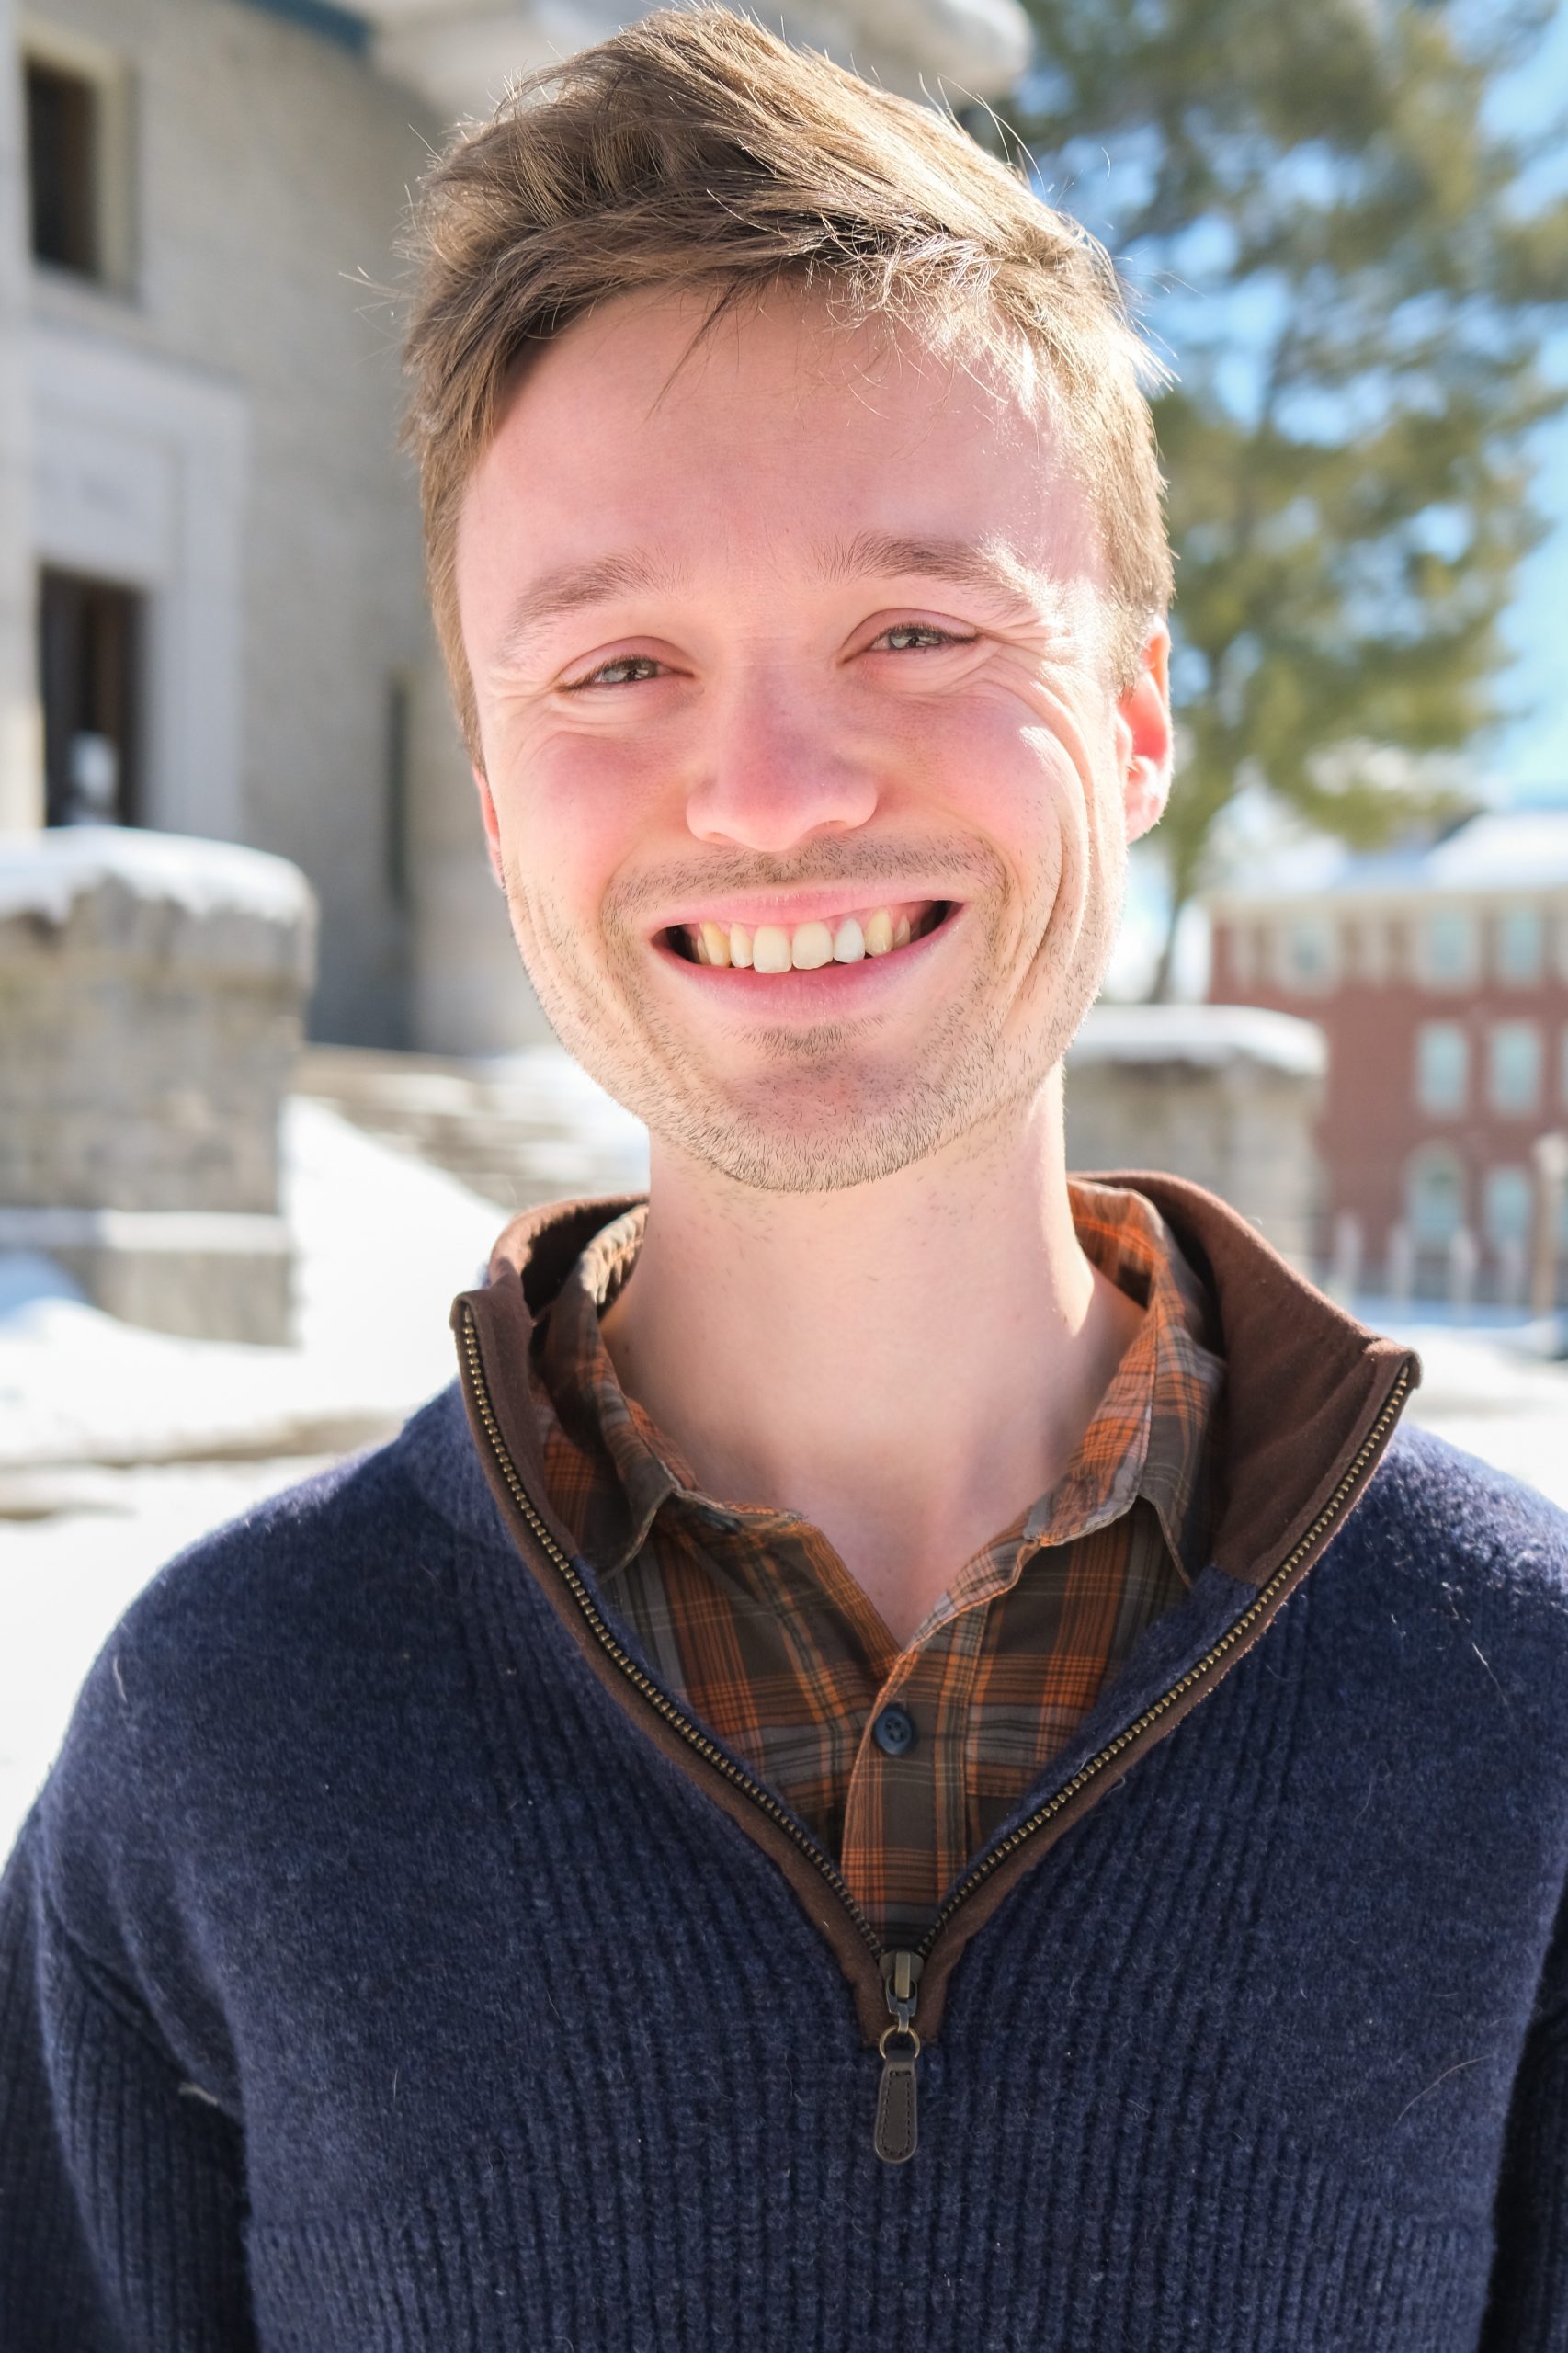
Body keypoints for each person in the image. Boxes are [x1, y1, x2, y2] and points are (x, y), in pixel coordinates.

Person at [2, 14, 1565, 2347]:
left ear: (1139, 714)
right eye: (619, 661)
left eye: (916, 627)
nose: (771, 788)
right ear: (492, 769)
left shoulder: (1524, 1713)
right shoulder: (222, 1735)